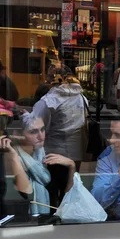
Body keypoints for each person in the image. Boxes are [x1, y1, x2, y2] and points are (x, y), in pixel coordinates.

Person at [32, 74, 86, 207]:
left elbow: (35, 125)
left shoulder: (48, 101)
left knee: (51, 192)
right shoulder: (81, 98)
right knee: (70, 190)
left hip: (54, 152)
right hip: (75, 153)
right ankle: (67, 217)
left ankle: (52, 219)